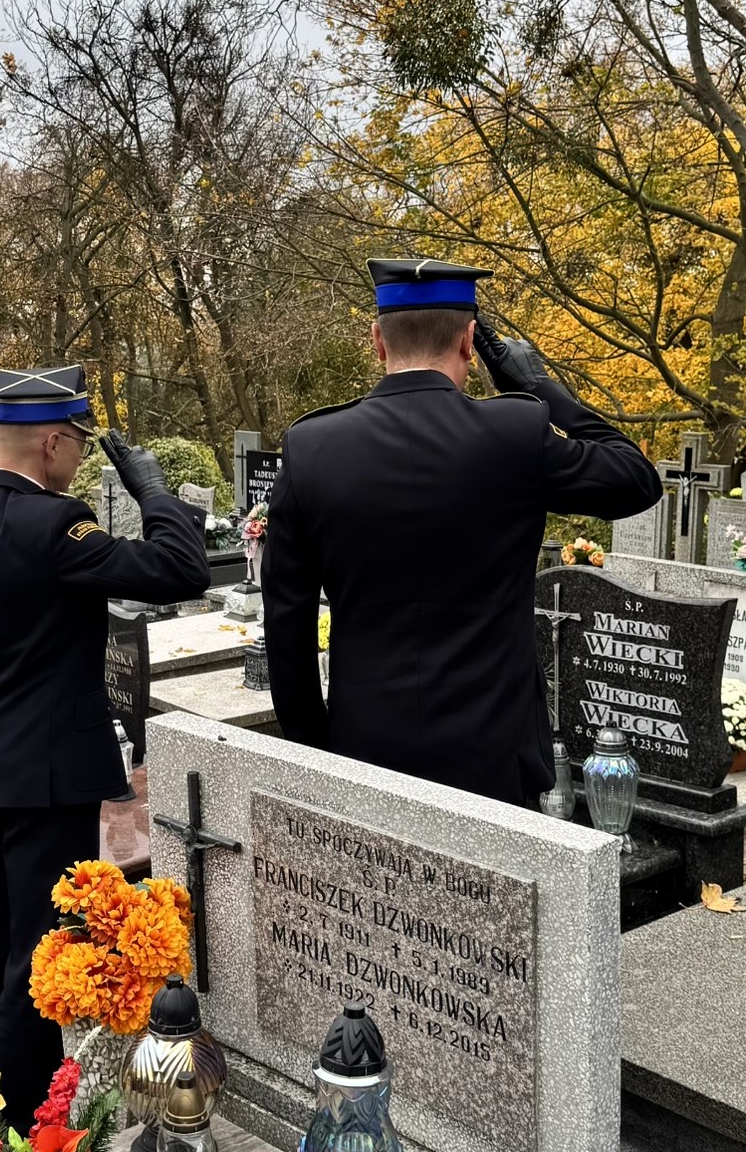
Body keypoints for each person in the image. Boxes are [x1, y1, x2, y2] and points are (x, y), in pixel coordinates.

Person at [0, 364, 209, 1128]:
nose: (79, 456)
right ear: (51, 442)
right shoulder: (57, 527)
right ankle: (24, 1126)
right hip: (46, 778)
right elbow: (180, 569)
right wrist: (152, 492)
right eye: (76, 441)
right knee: (39, 956)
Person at [262, 258, 663, 809]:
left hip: (363, 751)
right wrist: (539, 387)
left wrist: (315, 751)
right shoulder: (515, 433)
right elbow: (636, 480)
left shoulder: (310, 448)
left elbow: (287, 625)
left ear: (378, 340)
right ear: (469, 341)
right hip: (495, 755)